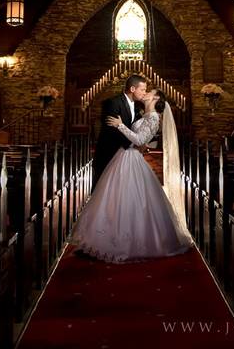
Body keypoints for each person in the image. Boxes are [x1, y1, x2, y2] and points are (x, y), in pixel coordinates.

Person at [72, 89, 194, 263]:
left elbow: (138, 140)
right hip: (124, 156)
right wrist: (144, 142)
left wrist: (120, 125)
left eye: (149, 91)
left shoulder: (153, 118)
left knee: (129, 199)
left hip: (131, 159)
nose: (145, 93)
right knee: (113, 198)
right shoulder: (144, 115)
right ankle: (105, 238)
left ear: (156, 98)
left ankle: (130, 243)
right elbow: (144, 140)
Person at [92, 74, 147, 192]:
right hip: (109, 154)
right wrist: (134, 143)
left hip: (124, 156)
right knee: (103, 191)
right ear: (132, 89)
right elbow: (111, 130)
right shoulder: (113, 102)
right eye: (142, 90)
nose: (144, 93)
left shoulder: (137, 107)